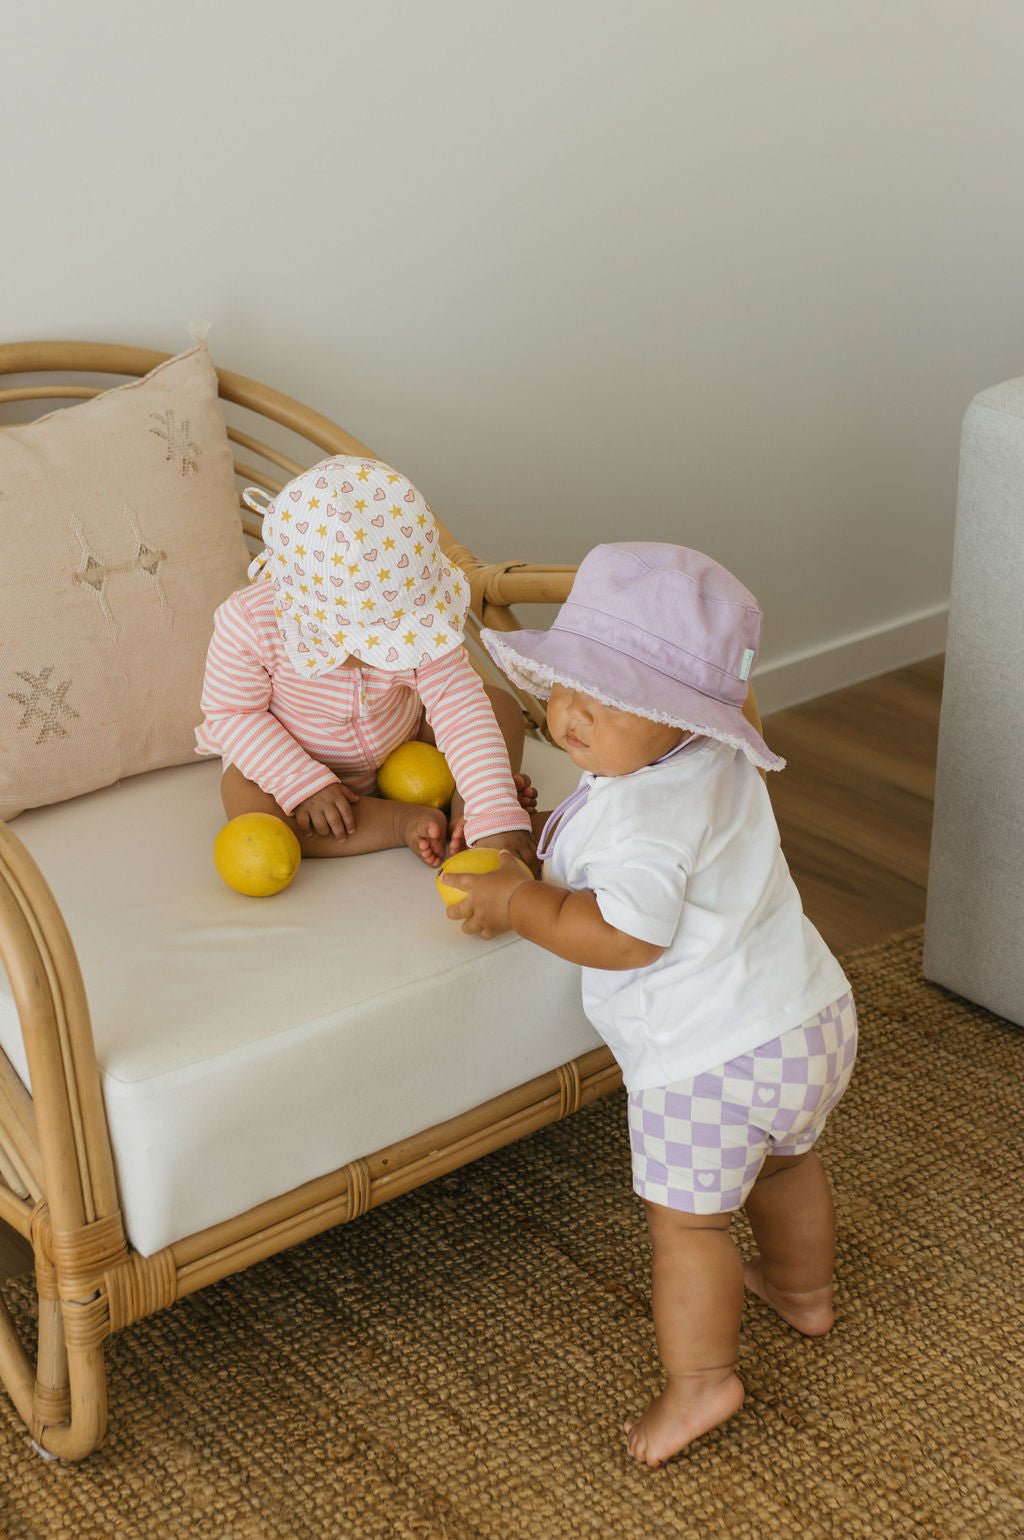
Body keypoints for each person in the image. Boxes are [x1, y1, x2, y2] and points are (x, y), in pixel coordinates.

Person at [442, 542, 856, 1467]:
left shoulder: (641, 820)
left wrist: (520, 902)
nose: (572, 714)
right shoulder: (708, 759)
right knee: (788, 1164)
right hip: (808, 1017)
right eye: (566, 686)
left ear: (676, 720)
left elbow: (627, 934)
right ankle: (803, 1291)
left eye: (610, 699)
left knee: (691, 1226)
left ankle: (702, 1384)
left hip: (709, 1061)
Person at [196, 456, 536, 869]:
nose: (384, 654)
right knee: (248, 800)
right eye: (367, 641)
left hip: (407, 742)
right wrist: (300, 783)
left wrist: (492, 805)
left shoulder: (417, 611)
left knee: (497, 707)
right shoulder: (250, 623)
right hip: (302, 764)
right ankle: (397, 822)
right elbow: (233, 713)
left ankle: (471, 816)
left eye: (394, 637)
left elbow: (458, 706)